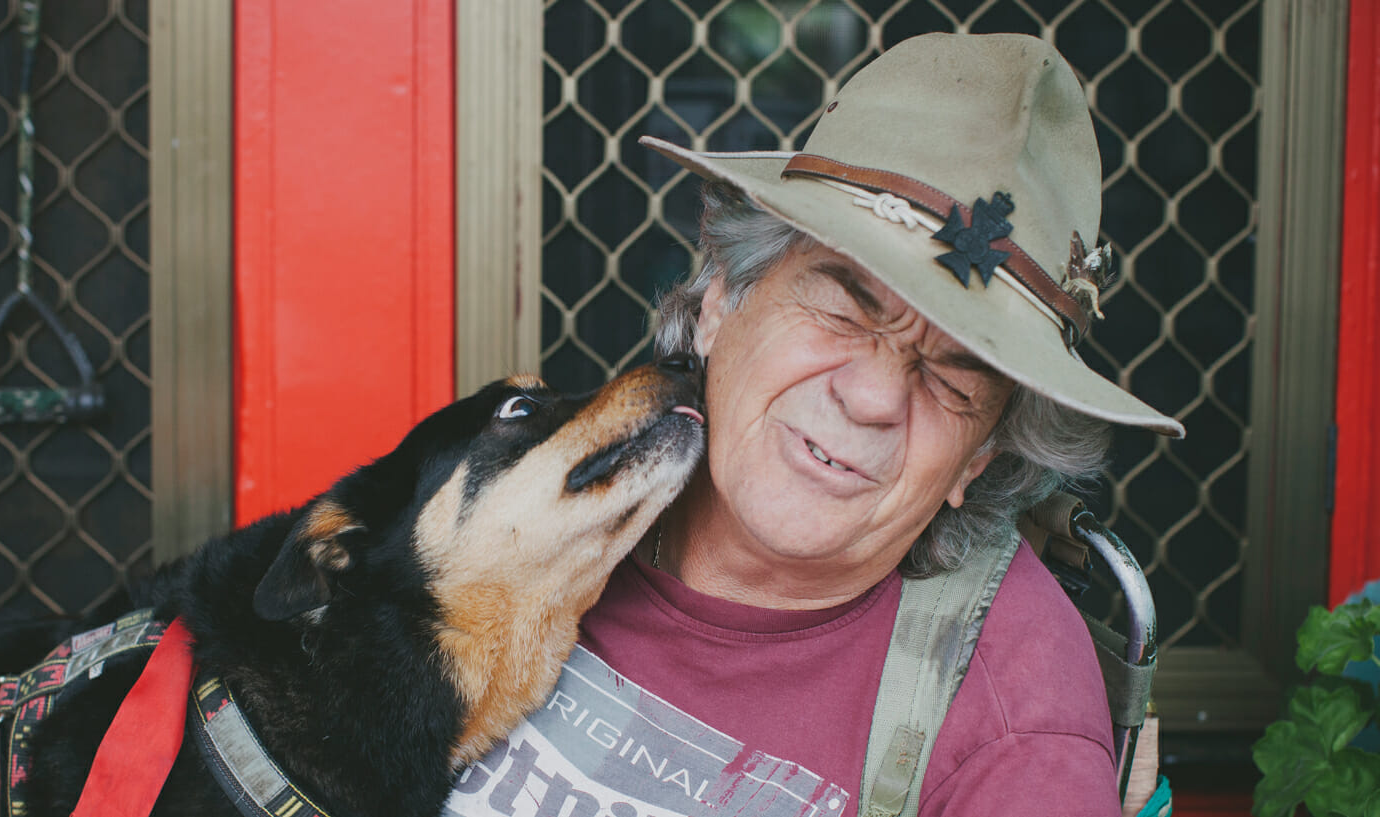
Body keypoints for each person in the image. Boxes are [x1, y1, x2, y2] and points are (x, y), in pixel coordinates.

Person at [444, 32, 1183, 817]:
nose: (872, 398)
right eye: (843, 308)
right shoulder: (543, 487)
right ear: (722, 298)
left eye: (951, 381)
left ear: (980, 458)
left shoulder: (1015, 720)